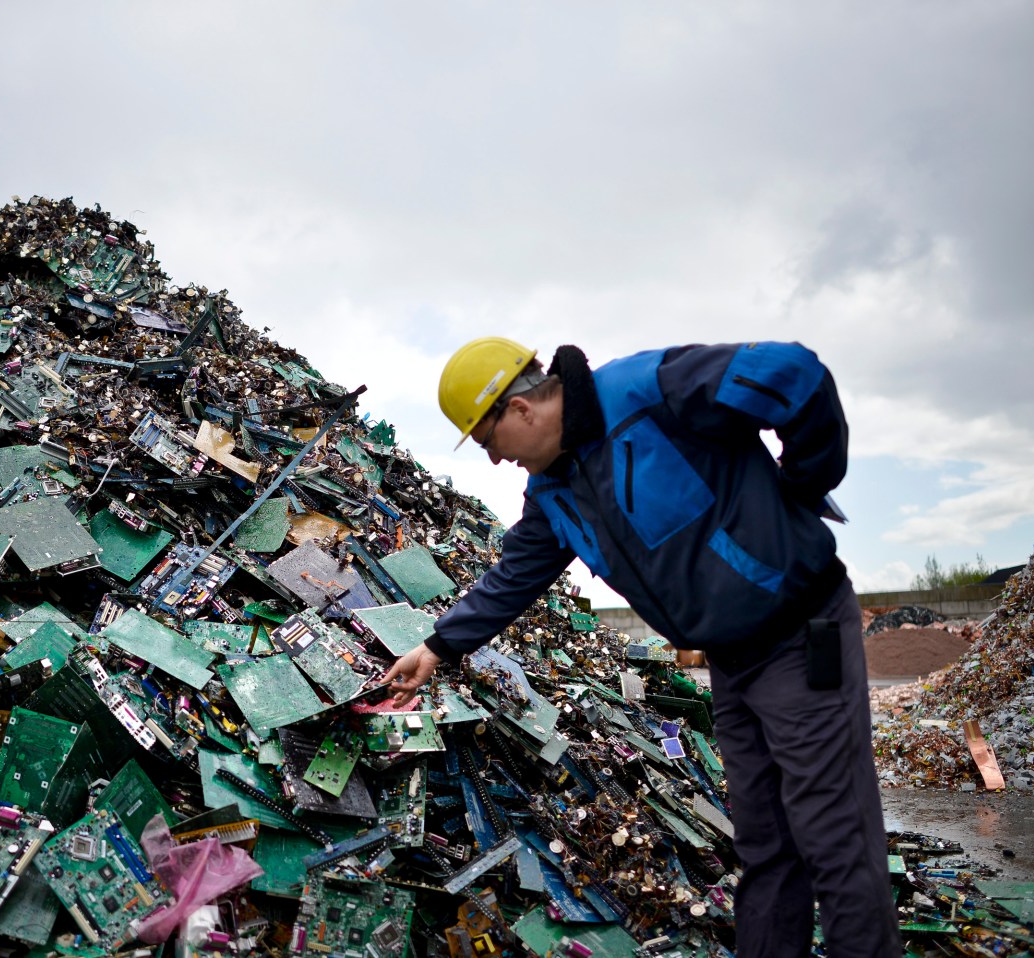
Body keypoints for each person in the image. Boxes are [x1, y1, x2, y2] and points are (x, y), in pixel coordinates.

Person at [382, 337, 901, 958]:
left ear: (518, 409)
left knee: (834, 837)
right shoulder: (555, 489)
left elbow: (792, 373)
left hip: (799, 633)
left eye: (488, 442)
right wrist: (437, 648)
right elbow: (514, 576)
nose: (494, 461)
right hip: (731, 664)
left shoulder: (646, 390)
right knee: (765, 846)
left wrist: (805, 480)